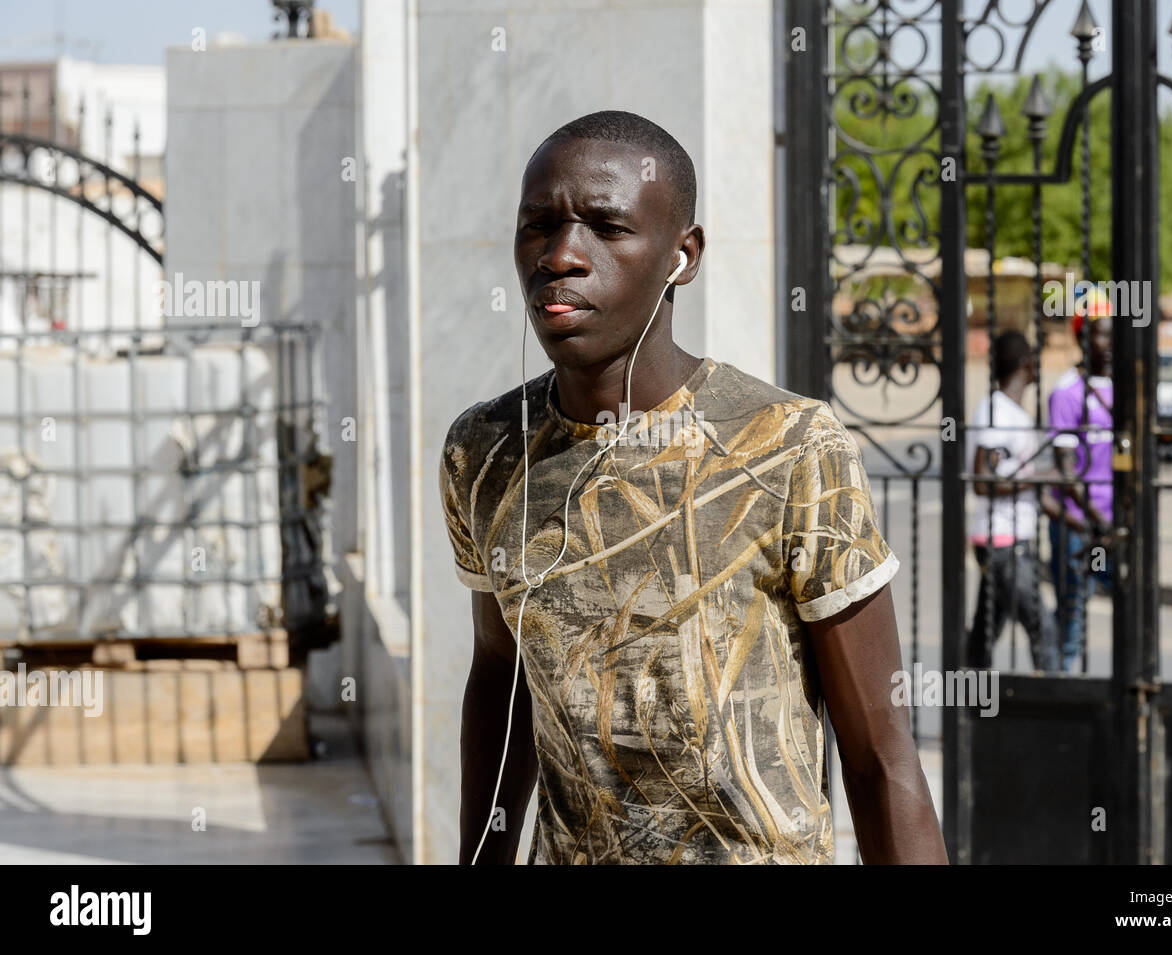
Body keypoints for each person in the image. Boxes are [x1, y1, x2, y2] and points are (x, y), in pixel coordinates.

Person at [438, 110, 946, 865]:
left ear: (683, 255)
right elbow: (501, 679)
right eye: (539, 225)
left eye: (605, 227)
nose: (562, 255)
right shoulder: (484, 453)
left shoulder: (788, 448)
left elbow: (880, 757)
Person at [966, 330, 1061, 672]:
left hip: (1007, 539)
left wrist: (1085, 523)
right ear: (1025, 363)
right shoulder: (997, 411)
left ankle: (964, 718)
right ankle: (1047, 708)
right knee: (1044, 629)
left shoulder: (1011, 412)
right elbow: (982, 480)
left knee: (985, 634)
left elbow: (1027, 486)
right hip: (1004, 542)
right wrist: (1037, 479)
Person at [1047, 296, 1114, 674]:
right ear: (1083, 338)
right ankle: (1060, 681)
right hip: (1076, 524)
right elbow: (1066, 470)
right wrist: (1094, 520)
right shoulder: (1067, 392)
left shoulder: (1123, 388)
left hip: (1114, 522)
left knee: (1133, 604)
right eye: (1102, 335)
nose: (1109, 343)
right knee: (1072, 610)